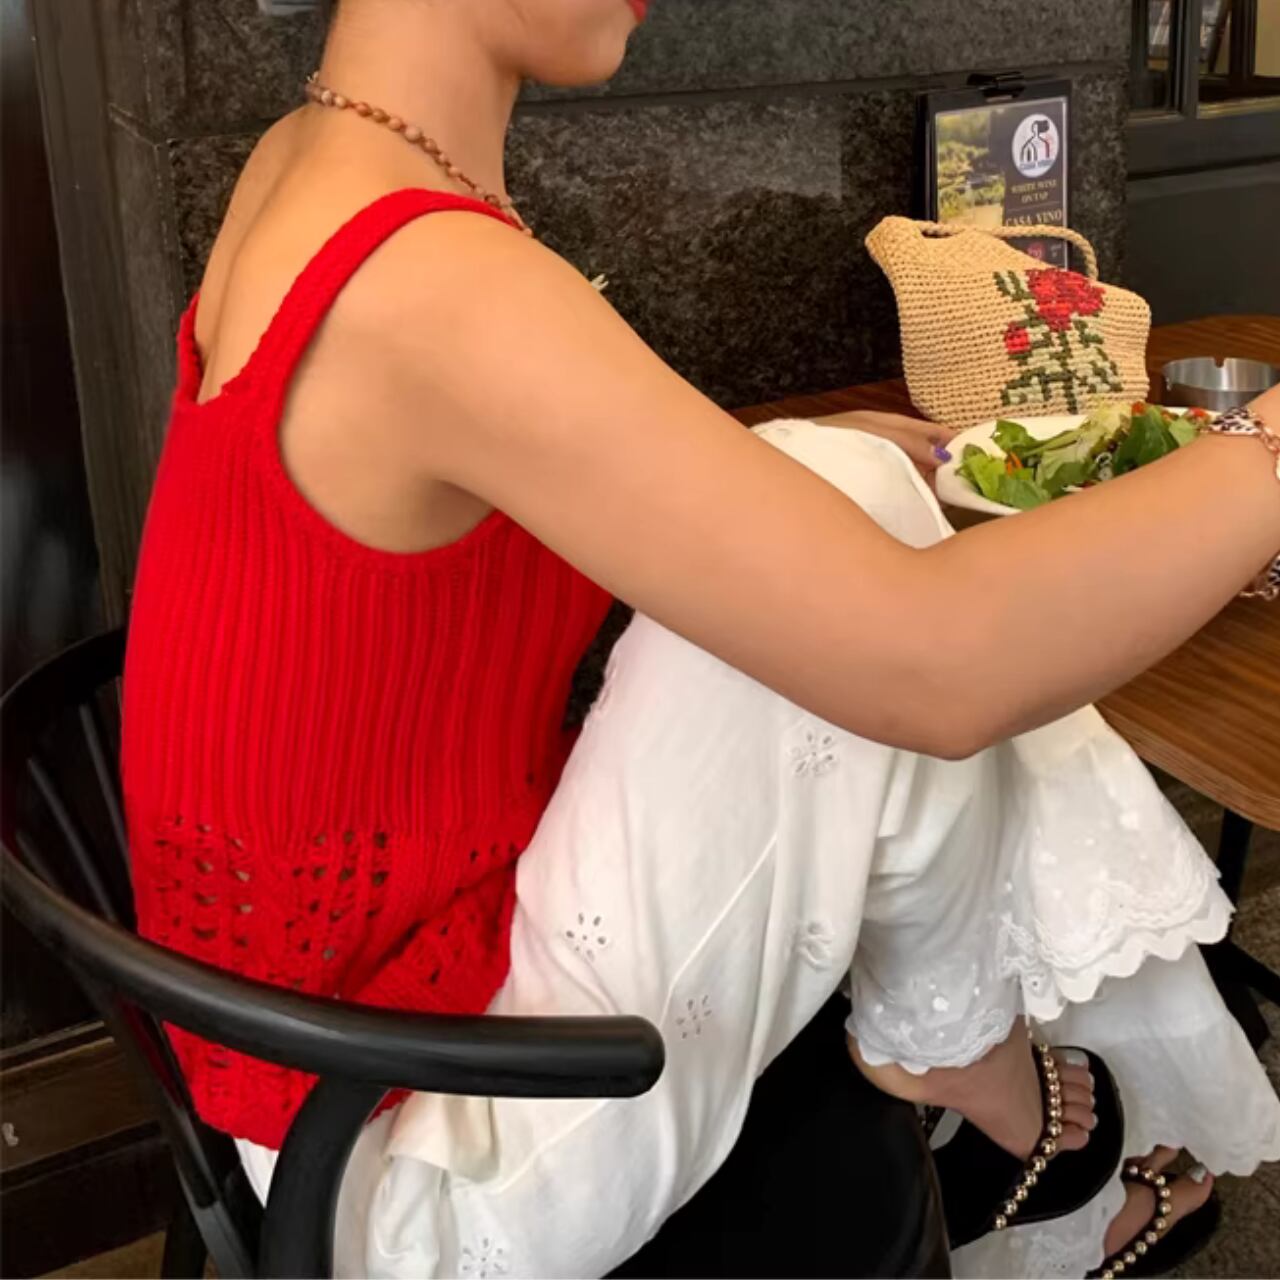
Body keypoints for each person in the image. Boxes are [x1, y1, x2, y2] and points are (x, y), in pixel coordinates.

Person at [121, 1, 1280, 1275]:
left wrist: (783, 465)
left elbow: (463, 467)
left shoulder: (318, 158)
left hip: (322, 1058)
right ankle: (961, 1044)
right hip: (409, 1148)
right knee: (888, 580)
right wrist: (1263, 449)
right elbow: (943, 668)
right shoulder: (424, 277)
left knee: (840, 484)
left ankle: (966, 1036)